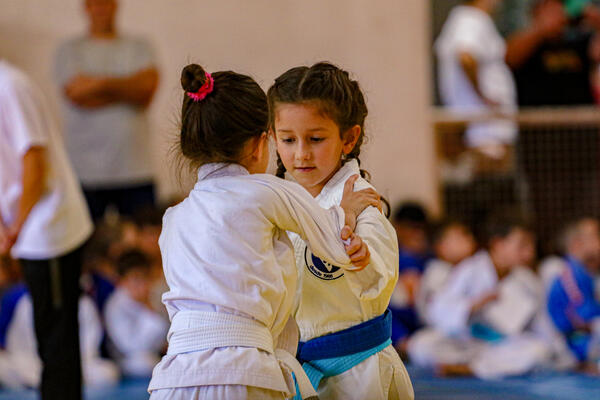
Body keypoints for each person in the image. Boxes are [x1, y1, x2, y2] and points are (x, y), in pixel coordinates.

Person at [148, 64, 377, 400]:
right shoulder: (266, 190)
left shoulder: (172, 219)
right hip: (243, 372)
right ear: (260, 144)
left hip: (173, 376)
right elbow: (336, 244)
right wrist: (349, 209)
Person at [268, 62, 414, 400]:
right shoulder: (276, 199)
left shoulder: (362, 204)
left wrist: (361, 260)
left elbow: (379, 279)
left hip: (357, 371)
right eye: (288, 140)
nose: (301, 153)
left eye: (315, 139)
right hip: (295, 369)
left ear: (349, 137)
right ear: (272, 138)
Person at [0, 60, 93, 399]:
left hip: (48, 229)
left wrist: (14, 228)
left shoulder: (11, 86)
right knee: (47, 334)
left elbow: (33, 164)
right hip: (24, 228)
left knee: (57, 338)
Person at [408, 215, 551, 379]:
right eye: (522, 245)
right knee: (420, 345)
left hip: (499, 348)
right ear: (498, 244)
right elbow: (439, 310)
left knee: (539, 351)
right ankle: (471, 365)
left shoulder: (527, 281)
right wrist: (472, 306)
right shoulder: (470, 269)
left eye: (531, 246)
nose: (529, 253)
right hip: (464, 343)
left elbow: (541, 327)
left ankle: (471, 369)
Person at [55, 0, 159, 220]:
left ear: (115, 5)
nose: (101, 9)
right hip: (85, 171)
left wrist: (98, 84)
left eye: (106, 3)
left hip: (135, 168)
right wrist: (126, 87)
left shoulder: (140, 47)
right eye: (95, 3)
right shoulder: (70, 50)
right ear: (86, 8)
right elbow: (77, 95)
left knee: (144, 246)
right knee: (88, 248)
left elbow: (146, 91)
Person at [435, 0, 517, 159]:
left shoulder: (469, 19)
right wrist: (483, 96)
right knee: (489, 179)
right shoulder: (470, 19)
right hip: (483, 129)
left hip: (485, 126)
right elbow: (466, 57)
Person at [0, 287, 119, 389]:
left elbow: (90, 342)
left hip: (75, 364)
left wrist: (67, 362)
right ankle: (48, 382)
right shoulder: (27, 303)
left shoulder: (83, 304)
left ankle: (52, 382)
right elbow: (18, 345)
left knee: (107, 372)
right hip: (34, 364)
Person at [104, 249, 168, 377]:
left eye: (145, 278)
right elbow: (129, 346)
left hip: (155, 353)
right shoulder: (116, 306)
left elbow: (165, 331)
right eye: (136, 279)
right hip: (127, 359)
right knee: (145, 363)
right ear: (122, 281)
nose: (142, 285)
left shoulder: (153, 297)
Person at [546, 217, 600, 369]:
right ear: (577, 243)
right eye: (596, 235)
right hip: (573, 343)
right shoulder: (568, 273)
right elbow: (581, 316)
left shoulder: (584, 273)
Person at [415, 221, 477, 325]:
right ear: (440, 246)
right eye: (458, 239)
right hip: (436, 330)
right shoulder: (436, 272)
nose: (467, 241)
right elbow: (434, 312)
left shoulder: (470, 270)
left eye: (467, 237)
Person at [389, 202, 431, 345]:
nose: (416, 234)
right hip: (397, 329)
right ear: (397, 227)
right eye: (411, 229)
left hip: (425, 324)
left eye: (420, 229)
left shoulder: (430, 259)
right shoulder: (388, 258)